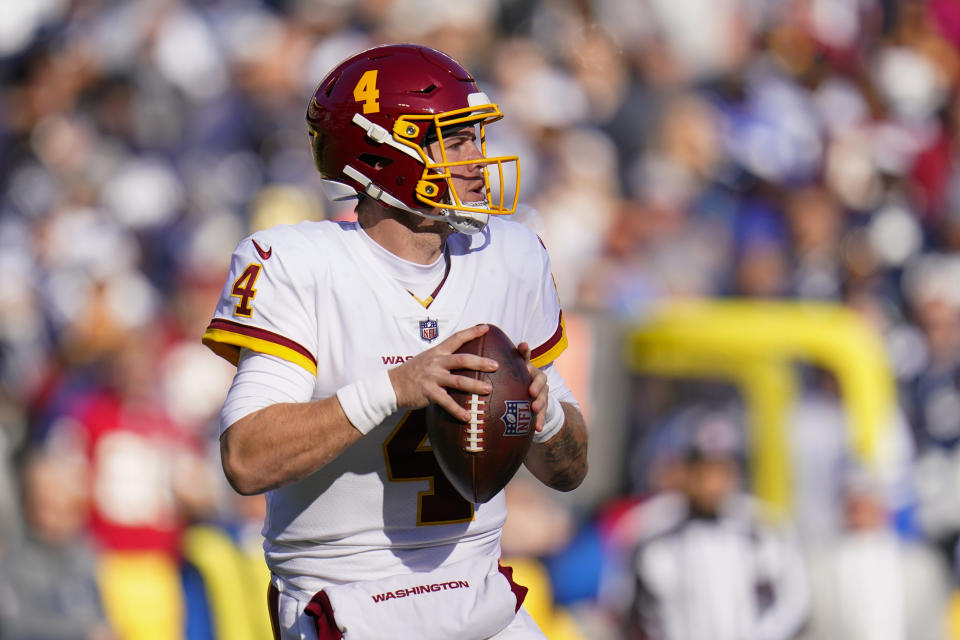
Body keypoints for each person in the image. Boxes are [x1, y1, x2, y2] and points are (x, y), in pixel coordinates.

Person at [201, 44, 589, 640]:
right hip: (347, 599)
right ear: (383, 151)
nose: (478, 160)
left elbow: (570, 471)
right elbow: (247, 461)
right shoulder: (298, 263)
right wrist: (395, 388)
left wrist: (542, 416)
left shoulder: (510, 255)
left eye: (477, 139)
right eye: (455, 141)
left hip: (479, 592)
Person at [619, 406, 808, 640]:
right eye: (704, 471)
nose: (712, 482)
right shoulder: (651, 527)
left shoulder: (765, 528)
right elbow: (626, 609)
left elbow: (796, 603)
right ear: (686, 471)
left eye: (721, 471)